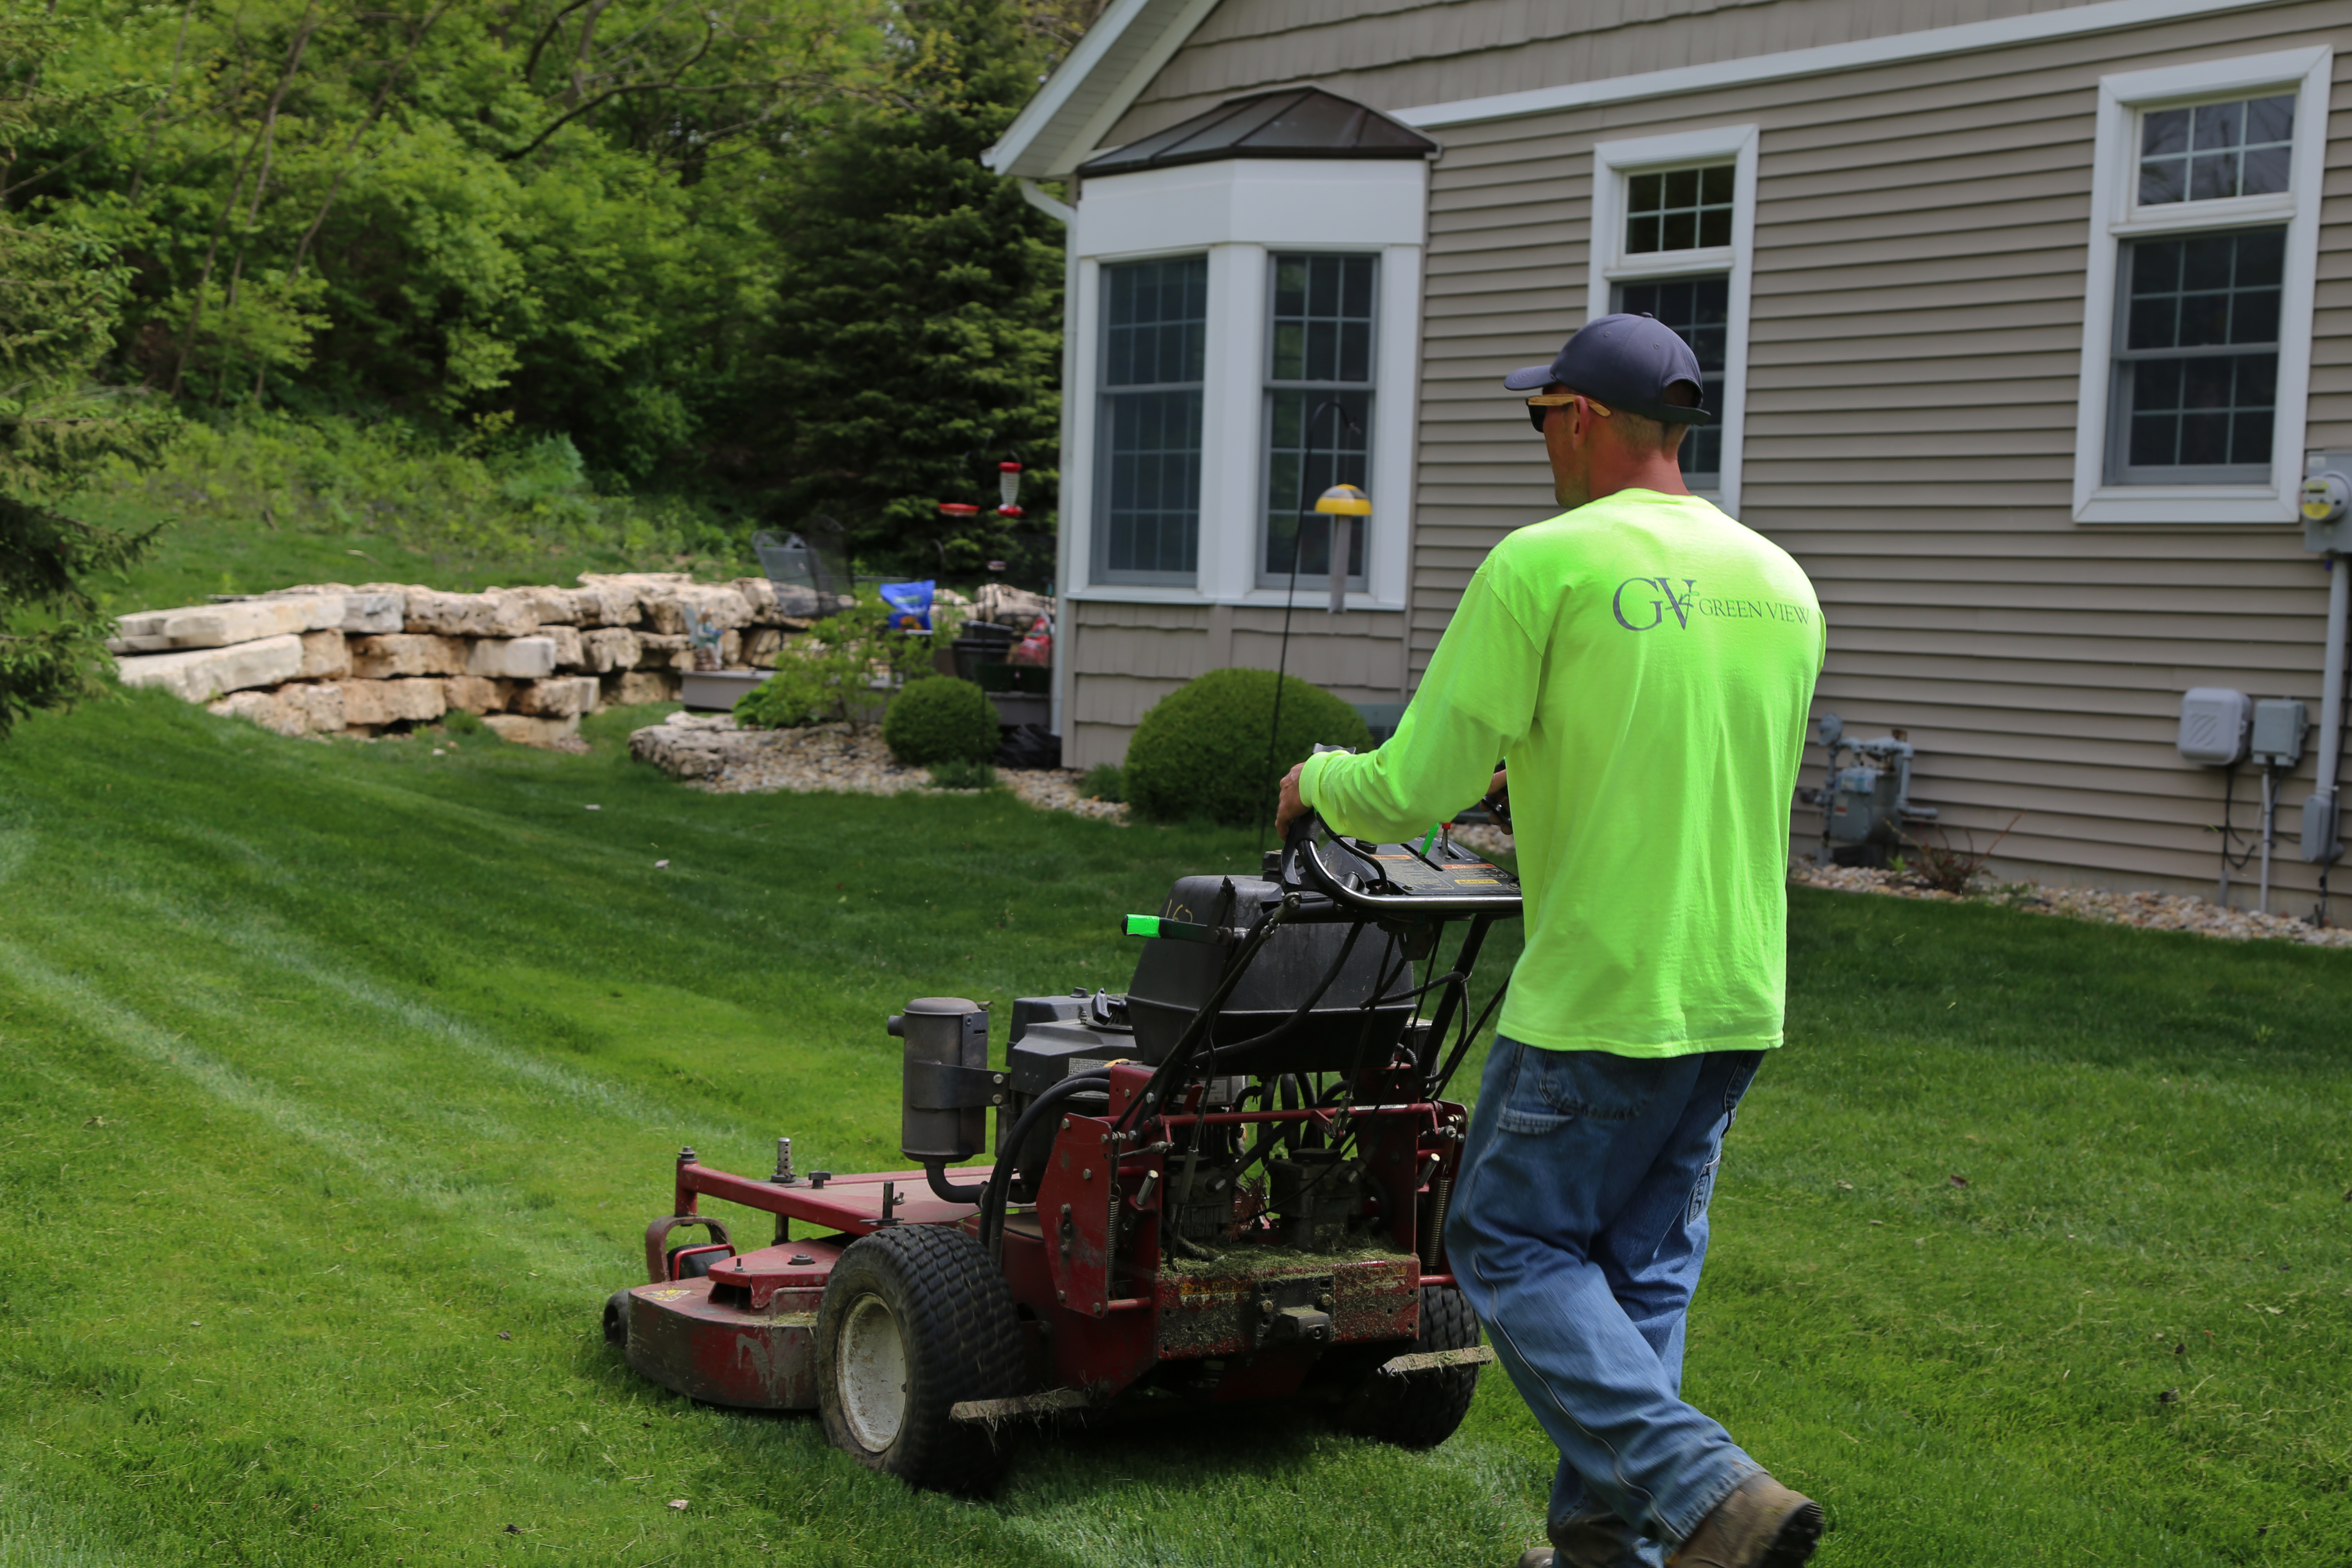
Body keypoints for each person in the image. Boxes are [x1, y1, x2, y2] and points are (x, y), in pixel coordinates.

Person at [1275, 315, 1826, 1568]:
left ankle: (1705, 1488)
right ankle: (1607, 1548)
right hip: (1736, 992)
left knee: (1505, 1241)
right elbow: (1688, 768)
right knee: (1639, 1278)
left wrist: (1318, 781)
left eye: (1541, 420)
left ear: (1577, 418)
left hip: (1603, 992)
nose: (1540, 445)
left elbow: (1415, 784)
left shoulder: (1546, 564)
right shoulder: (1781, 583)